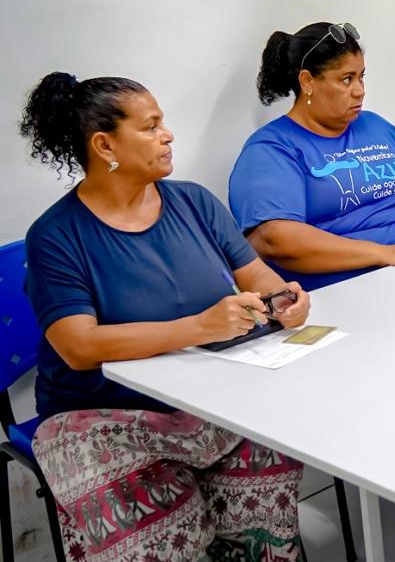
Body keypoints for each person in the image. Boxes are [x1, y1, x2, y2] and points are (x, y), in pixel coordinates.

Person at [19, 72, 311, 560]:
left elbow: (258, 277)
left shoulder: (194, 202)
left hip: (212, 397)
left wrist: (286, 301)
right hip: (103, 418)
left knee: (264, 531)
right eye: (151, 126)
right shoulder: (56, 236)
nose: (168, 135)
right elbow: (80, 347)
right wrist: (200, 327)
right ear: (104, 144)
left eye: (164, 123)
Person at [229, 22, 395, 290]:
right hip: (350, 290)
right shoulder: (272, 148)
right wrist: (385, 253)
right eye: (346, 79)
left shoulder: (375, 125)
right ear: (307, 82)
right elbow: (274, 240)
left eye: (361, 77)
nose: (360, 90)